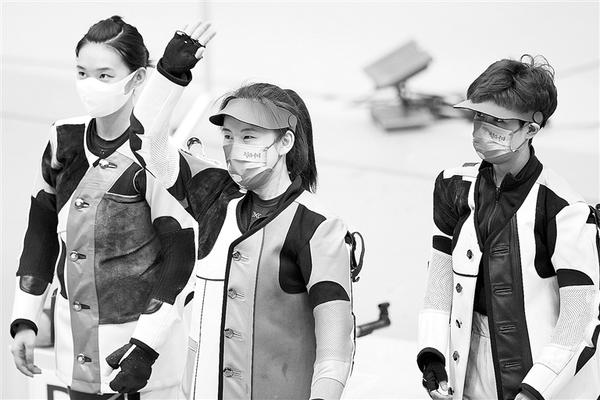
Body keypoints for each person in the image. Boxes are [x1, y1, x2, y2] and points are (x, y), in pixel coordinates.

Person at [129, 23, 357, 400]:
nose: (234, 148)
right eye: (228, 136)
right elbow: (145, 145)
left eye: (249, 136)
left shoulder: (318, 228)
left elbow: (335, 348)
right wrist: (169, 75)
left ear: (285, 142)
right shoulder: (211, 193)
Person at [10, 16, 199, 399]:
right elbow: (41, 233)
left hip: (142, 359)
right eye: (82, 73)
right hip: (75, 349)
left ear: (138, 78)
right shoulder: (62, 138)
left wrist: (144, 347)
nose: (89, 84)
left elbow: (180, 258)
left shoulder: (157, 155)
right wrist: (25, 319)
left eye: (104, 75)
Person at [417, 54, 600, 400]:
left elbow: (579, 321)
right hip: (466, 371)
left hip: (544, 381)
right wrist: (432, 356)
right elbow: (440, 281)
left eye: (498, 121)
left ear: (531, 128)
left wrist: (535, 391)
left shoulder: (565, 211)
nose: (482, 129)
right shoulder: (453, 186)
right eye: (479, 116)